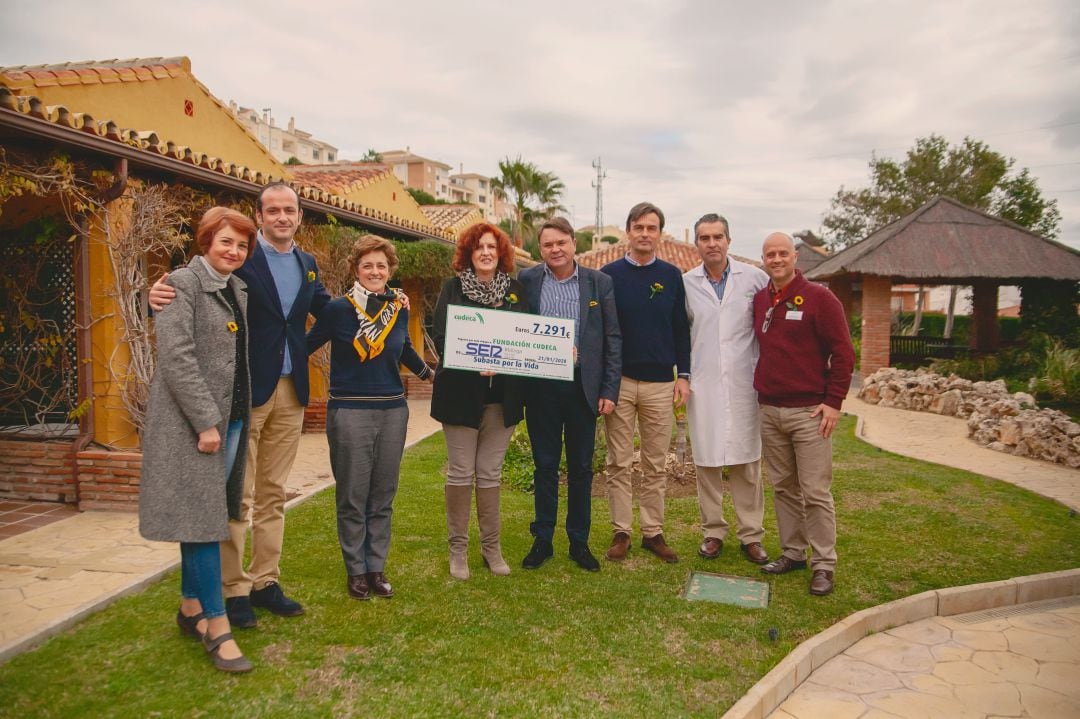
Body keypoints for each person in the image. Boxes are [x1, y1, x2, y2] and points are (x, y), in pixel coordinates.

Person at [151, 181, 330, 627]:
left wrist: (384, 301)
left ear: (299, 216)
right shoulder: (243, 258)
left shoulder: (308, 264)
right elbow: (194, 290)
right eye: (273, 210)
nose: (282, 217)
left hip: (292, 390)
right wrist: (152, 297)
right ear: (261, 215)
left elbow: (329, 310)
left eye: (290, 210)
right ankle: (233, 589)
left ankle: (266, 580)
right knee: (238, 495)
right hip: (246, 389)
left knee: (274, 493)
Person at [139, 207, 256, 673]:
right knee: (205, 521)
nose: (234, 251)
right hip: (195, 425)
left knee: (200, 515)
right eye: (226, 241)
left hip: (230, 420)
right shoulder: (182, 284)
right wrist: (206, 421)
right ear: (206, 240)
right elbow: (177, 356)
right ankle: (217, 625)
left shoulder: (234, 286)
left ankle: (190, 606)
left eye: (242, 245)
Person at [307, 235, 432, 600]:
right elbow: (305, 345)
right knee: (352, 494)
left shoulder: (398, 307)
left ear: (390, 270)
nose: (375, 271)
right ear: (356, 270)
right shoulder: (337, 310)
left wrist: (430, 376)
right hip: (349, 411)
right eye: (368, 266)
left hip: (393, 410)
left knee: (383, 494)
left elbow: (405, 350)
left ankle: (376, 567)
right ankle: (356, 570)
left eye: (381, 265)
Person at [753, 232, 854, 596]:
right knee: (783, 488)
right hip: (770, 408)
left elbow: (844, 353)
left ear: (796, 257)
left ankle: (824, 563)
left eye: (783, 253)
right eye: (770, 254)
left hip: (809, 412)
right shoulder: (762, 300)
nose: (776, 259)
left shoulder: (820, 299)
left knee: (814, 491)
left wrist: (834, 401)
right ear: (763, 259)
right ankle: (793, 552)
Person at [518, 217, 621, 572]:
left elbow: (612, 339)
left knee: (580, 468)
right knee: (544, 466)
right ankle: (542, 539)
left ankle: (579, 541)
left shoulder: (598, 283)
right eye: (548, 245)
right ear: (540, 249)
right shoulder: (527, 280)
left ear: (574, 243)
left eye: (561, 242)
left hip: (582, 388)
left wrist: (609, 388)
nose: (555, 249)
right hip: (541, 388)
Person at [431, 223, 527, 580]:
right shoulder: (452, 289)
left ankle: (491, 548)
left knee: (489, 473)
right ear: (469, 254)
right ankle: (458, 550)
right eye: (479, 248)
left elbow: (527, 337)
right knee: (460, 472)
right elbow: (442, 338)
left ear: (500, 253)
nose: (486, 253)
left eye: (492, 247)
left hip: (504, 398)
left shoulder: (516, 291)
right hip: (459, 395)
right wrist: (475, 364)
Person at [600, 202, 690, 563]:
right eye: (638, 227)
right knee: (619, 462)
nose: (645, 234)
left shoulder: (671, 276)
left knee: (655, 463)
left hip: (658, 385)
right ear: (628, 231)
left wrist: (683, 375)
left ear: (660, 234)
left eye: (652, 228)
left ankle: (652, 532)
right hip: (619, 381)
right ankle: (621, 531)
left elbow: (681, 330)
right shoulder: (608, 275)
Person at [684, 214, 770, 564]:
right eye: (705, 238)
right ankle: (713, 531)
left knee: (746, 462)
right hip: (703, 382)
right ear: (697, 244)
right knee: (706, 461)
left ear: (729, 241)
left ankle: (751, 534)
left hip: (744, 382)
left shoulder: (754, 279)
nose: (712, 243)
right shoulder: (687, 283)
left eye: (718, 236)